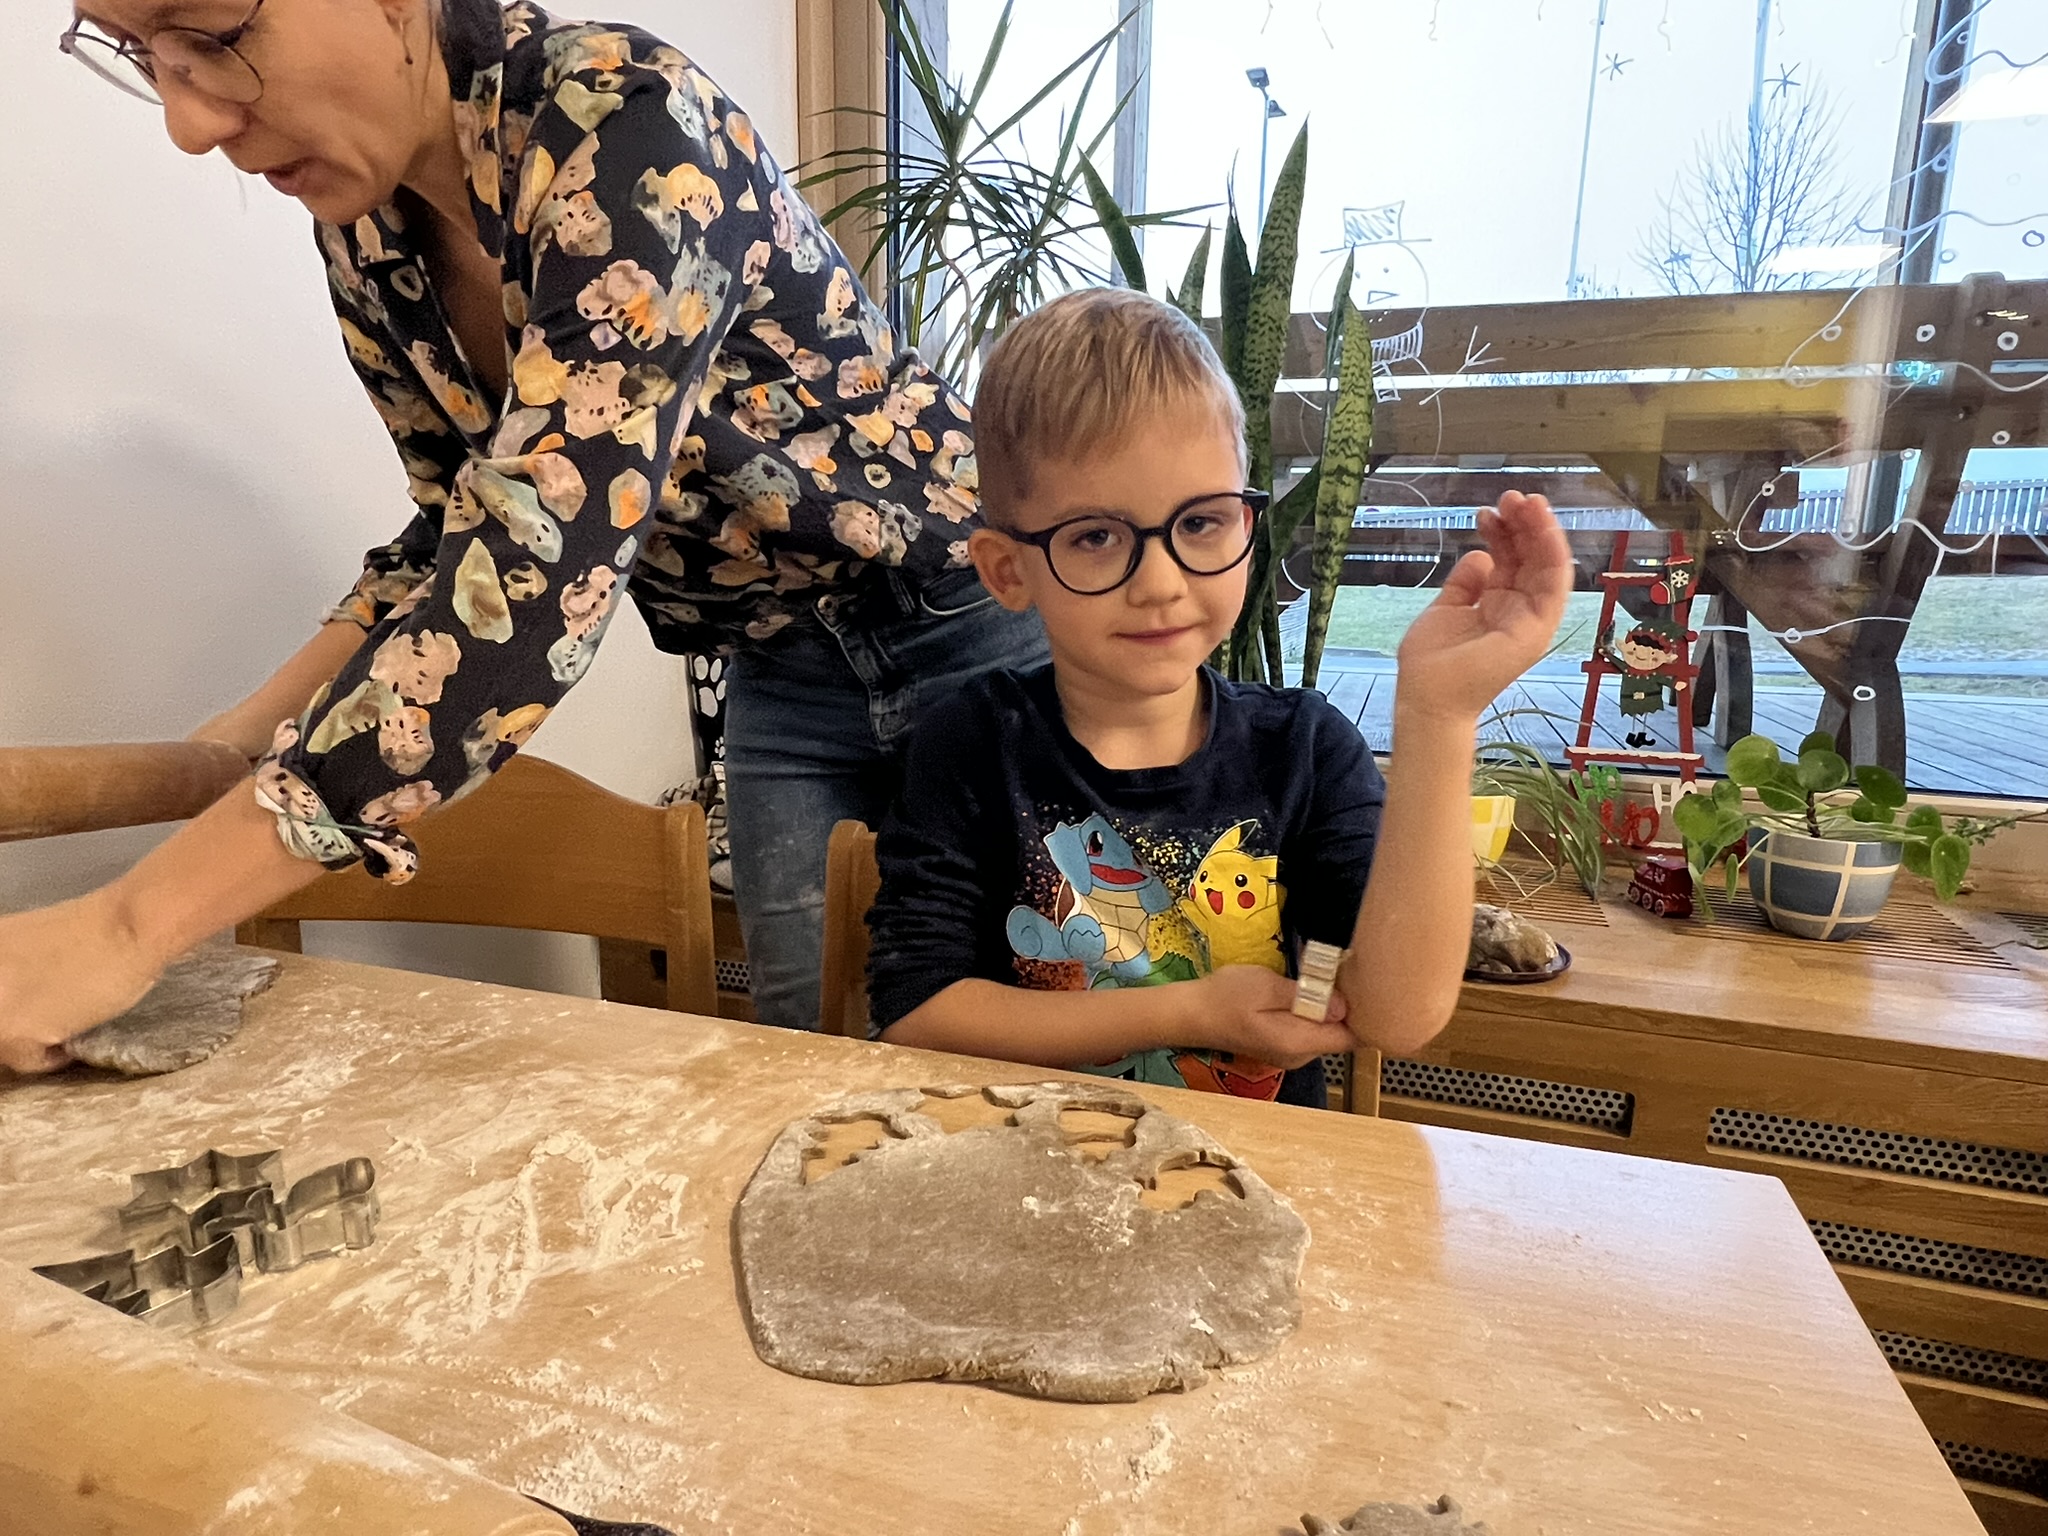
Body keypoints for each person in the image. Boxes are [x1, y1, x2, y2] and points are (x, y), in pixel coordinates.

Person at [0, 0, 1046, 1073]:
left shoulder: (626, 118)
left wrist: (125, 928)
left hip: (972, 617)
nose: (188, 124)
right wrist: (239, 736)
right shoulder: (365, 235)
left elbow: (533, 574)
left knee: (1035, 1015)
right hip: (775, 659)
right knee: (810, 1049)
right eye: (145, 57)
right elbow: (456, 527)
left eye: (213, 40)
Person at [868, 289, 1573, 1103]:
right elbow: (916, 1014)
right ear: (1007, 570)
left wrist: (1440, 719)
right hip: (1030, 1158)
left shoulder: (1304, 750)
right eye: (1095, 537)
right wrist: (1192, 1010)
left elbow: (1399, 1015)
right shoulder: (969, 744)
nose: (1160, 584)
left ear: (1245, 523)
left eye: (1200, 523)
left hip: (1248, 1169)